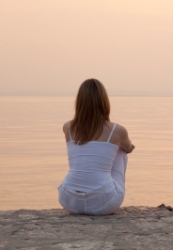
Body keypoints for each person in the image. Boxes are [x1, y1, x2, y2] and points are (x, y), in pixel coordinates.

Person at [58, 78, 135, 215]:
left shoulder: (67, 127)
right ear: (104, 102)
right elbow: (128, 148)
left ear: (79, 102)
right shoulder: (117, 131)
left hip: (69, 200)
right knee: (119, 151)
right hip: (103, 203)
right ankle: (105, 189)